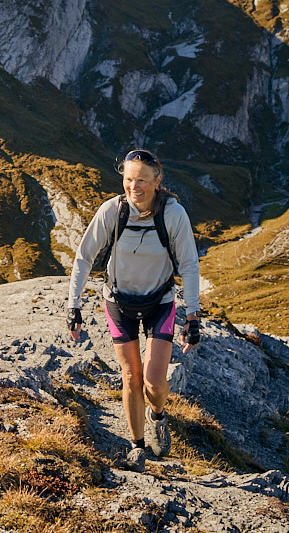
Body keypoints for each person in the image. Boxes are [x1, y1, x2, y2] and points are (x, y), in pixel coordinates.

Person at [66, 149, 201, 472]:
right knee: (131, 376)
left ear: (157, 181)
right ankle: (137, 446)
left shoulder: (173, 214)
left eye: (141, 180)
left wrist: (193, 316)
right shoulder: (113, 211)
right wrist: (74, 305)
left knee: (154, 382)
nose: (134, 187)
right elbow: (84, 257)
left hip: (160, 302)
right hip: (118, 303)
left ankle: (158, 416)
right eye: (128, 179)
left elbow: (190, 265)